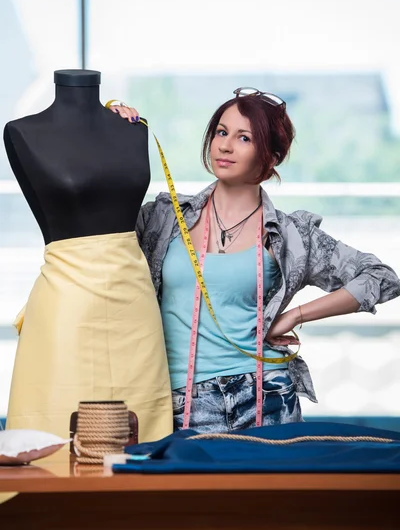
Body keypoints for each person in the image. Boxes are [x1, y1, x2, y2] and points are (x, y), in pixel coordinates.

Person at [106, 87, 400, 434]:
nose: (225, 146)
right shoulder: (165, 218)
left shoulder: (289, 235)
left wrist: (293, 315)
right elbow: (98, 213)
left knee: (274, 491)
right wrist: (110, 124)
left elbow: (381, 277)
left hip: (265, 394)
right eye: (221, 132)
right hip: (178, 399)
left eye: (243, 138)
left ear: (271, 157)